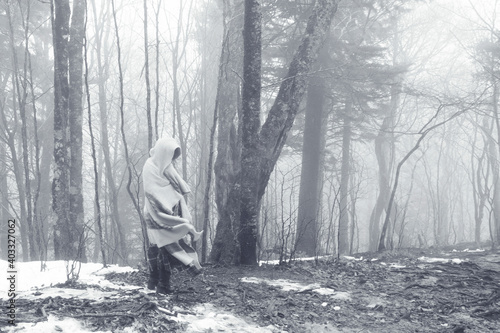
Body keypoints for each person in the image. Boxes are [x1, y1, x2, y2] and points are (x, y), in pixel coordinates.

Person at [142, 137, 203, 294]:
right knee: (160, 248)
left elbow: (177, 187)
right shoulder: (149, 167)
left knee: (163, 247)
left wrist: (177, 206)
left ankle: (157, 282)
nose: (171, 159)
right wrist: (169, 202)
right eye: (170, 155)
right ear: (163, 152)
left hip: (170, 212)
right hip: (155, 215)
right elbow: (153, 193)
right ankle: (160, 283)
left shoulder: (167, 167)